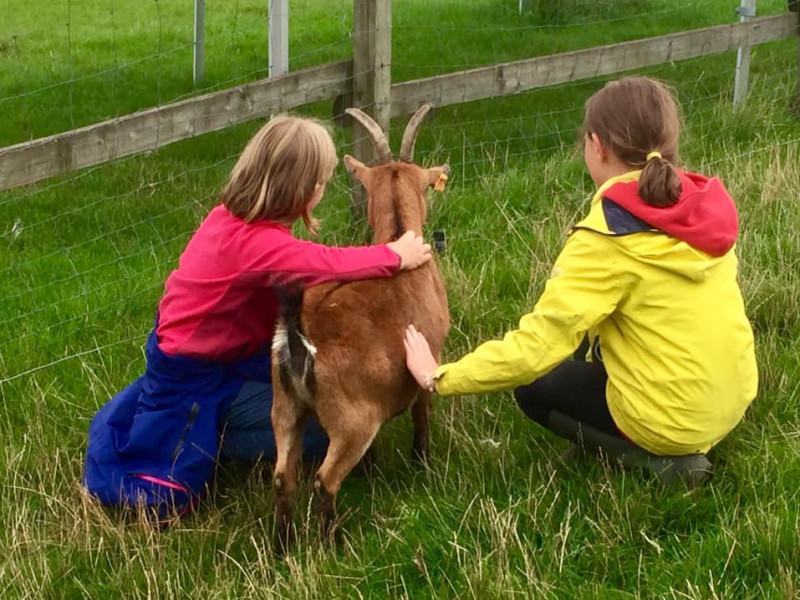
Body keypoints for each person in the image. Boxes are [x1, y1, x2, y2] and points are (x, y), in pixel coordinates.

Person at [404, 76, 758, 484]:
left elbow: (536, 350)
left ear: (597, 145)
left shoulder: (606, 236)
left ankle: (662, 463)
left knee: (534, 388)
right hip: (733, 396)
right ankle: (649, 435)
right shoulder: (702, 205)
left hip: (672, 422)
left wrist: (440, 376)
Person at [83, 115, 433, 517]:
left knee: (322, 397)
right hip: (197, 378)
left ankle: (222, 421)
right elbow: (322, 261)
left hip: (219, 357)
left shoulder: (229, 219)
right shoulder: (257, 245)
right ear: (301, 189)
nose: (324, 187)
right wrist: (393, 255)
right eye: (321, 180)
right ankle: (214, 435)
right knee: (330, 428)